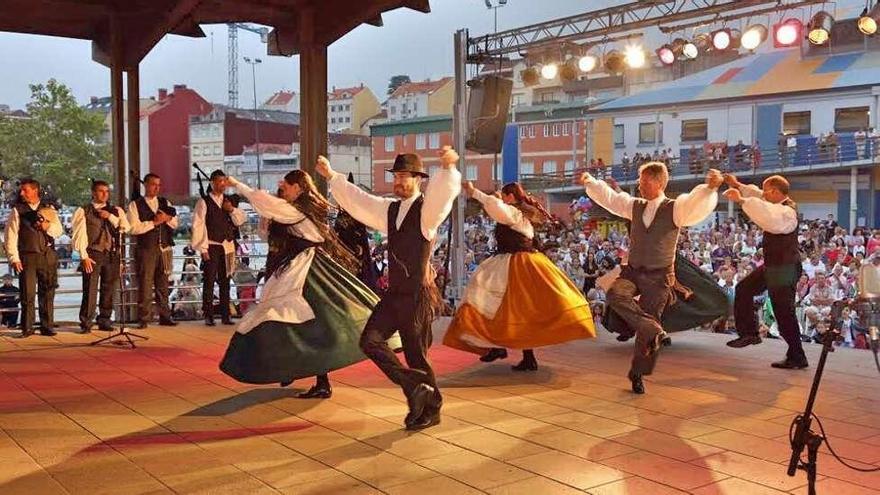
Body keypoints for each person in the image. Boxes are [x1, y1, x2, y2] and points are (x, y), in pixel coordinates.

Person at [319, 147, 461, 431]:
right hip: (394, 295)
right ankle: (413, 385)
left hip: (416, 296)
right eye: (396, 175)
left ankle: (428, 407)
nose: (398, 181)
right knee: (370, 341)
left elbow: (443, 196)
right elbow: (361, 201)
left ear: (418, 179)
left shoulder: (426, 212)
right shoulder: (390, 209)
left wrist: (447, 169)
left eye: (404, 176)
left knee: (416, 356)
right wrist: (333, 176)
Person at [220, 171, 394, 399]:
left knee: (294, 318)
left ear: (298, 188)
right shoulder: (300, 210)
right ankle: (306, 373)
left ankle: (305, 374)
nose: (284, 187)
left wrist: (236, 184)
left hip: (305, 271)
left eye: (288, 185)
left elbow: (263, 201)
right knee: (311, 324)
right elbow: (269, 222)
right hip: (305, 268)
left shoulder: (294, 211)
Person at [579, 163, 722, 394]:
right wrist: (590, 182)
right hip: (633, 272)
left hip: (660, 277)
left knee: (648, 332)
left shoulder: (675, 208)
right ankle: (652, 327)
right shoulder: (634, 206)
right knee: (615, 294)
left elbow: (695, 203)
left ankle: (638, 373)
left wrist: (708, 189)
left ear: (658, 183)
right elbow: (611, 198)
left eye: (643, 181)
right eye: (639, 180)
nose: (639, 185)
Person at [444, 181, 595, 370]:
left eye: (504, 195)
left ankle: (498, 347)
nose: (501, 198)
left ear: (510, 196)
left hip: (513, 264)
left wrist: (475, 192)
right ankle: (517, 354)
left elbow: (496, 207)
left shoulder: (513, 213)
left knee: (486, 297)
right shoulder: (522, 214)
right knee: (521, 309)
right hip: (525, 262)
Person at [724, 174, 807, 369]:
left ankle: (797, 356)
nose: (763, 194)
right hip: (773, 266)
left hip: (784, 269)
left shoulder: (787, 212)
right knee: (743, 289)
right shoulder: (776, 204)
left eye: (767, 190)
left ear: (777, 192)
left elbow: (769, 218)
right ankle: (749, 333)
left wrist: (742, 200)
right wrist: (737, 185)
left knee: (784, 313)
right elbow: (759, 196)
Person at [4, 179, 62, 338]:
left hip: (47, 255)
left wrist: (47, 227)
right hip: (27, 256)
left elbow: (58, 231)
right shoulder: (18, 210)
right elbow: (11, 236)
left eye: (25, 190)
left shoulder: (48, 208)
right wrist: (14, 258)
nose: (22, 193)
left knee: (47, 292)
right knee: (27, 294)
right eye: (21, 190)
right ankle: (27, 327)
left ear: (35, 190)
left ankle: (47, 326)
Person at [71, 180, 131, 333]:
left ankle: (105, 319)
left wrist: (109, 216)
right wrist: (83, 256)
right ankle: (86, 322)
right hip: (93, 253)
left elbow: (125, 227)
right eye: (101, 191)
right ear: (93, 193)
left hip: (112, 253)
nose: (104, 194)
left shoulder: (116, 210)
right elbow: (78, 235)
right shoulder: (83, 210)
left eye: (107, 191)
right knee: (90, 289)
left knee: (109, 288)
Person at [191, 170, 246, 326]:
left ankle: (225, 314)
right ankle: (208, 314)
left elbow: (240, 221)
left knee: (225, 281)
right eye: (219, 181)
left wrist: (231, 209)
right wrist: (203, 249)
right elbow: (199, 225)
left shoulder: (229, 201)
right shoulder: (204, 202)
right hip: (212, 245)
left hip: (227, 247)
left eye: (224, 182)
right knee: (209, 281)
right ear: (212, 183)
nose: (222, 185)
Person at [128, 173, 179, 329]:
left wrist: (168, 219)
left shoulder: (165, 202)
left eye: (158, 185)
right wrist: (154, 222)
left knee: (163, 284)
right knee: (145, 283)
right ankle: (144, 318)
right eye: (153, 184)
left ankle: (165, 316)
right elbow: (133, 228)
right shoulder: (135, 205)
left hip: (163, 248)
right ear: (146, 185)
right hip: (146, 249)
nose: (156, 188)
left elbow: (176, 223)